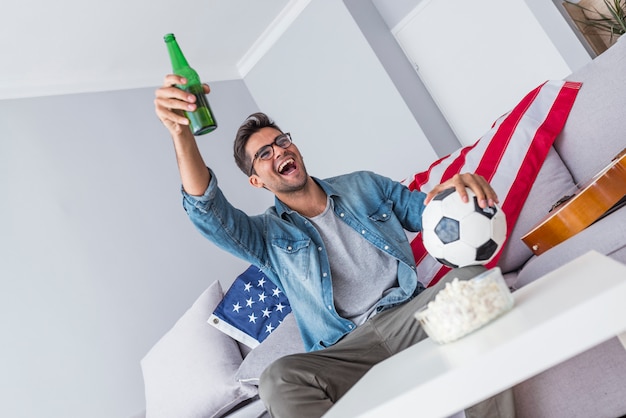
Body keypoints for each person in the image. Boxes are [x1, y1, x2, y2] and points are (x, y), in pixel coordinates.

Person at [154, 76, 516, 418]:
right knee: (277, 379)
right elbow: (208, 212)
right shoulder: (264, 236)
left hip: (411, 317)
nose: (278, 150)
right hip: (344, 354)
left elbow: (431, 216)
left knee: (473, 282)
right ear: (256, 181)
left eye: (281, 141)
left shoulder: (364, 186)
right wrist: (181, 134)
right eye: (263, 154)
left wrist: (457, 194)